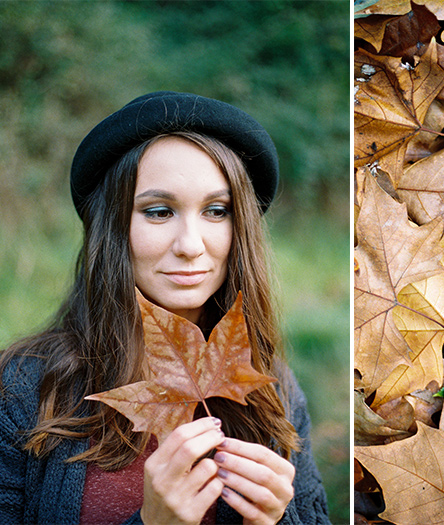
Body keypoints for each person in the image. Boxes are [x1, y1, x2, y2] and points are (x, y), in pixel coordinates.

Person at [0, 91, 331, 525]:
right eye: (158, 212)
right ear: (112, 226)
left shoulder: (274, 390)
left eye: (217, 211)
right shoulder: (23, 390)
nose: (191, 246)